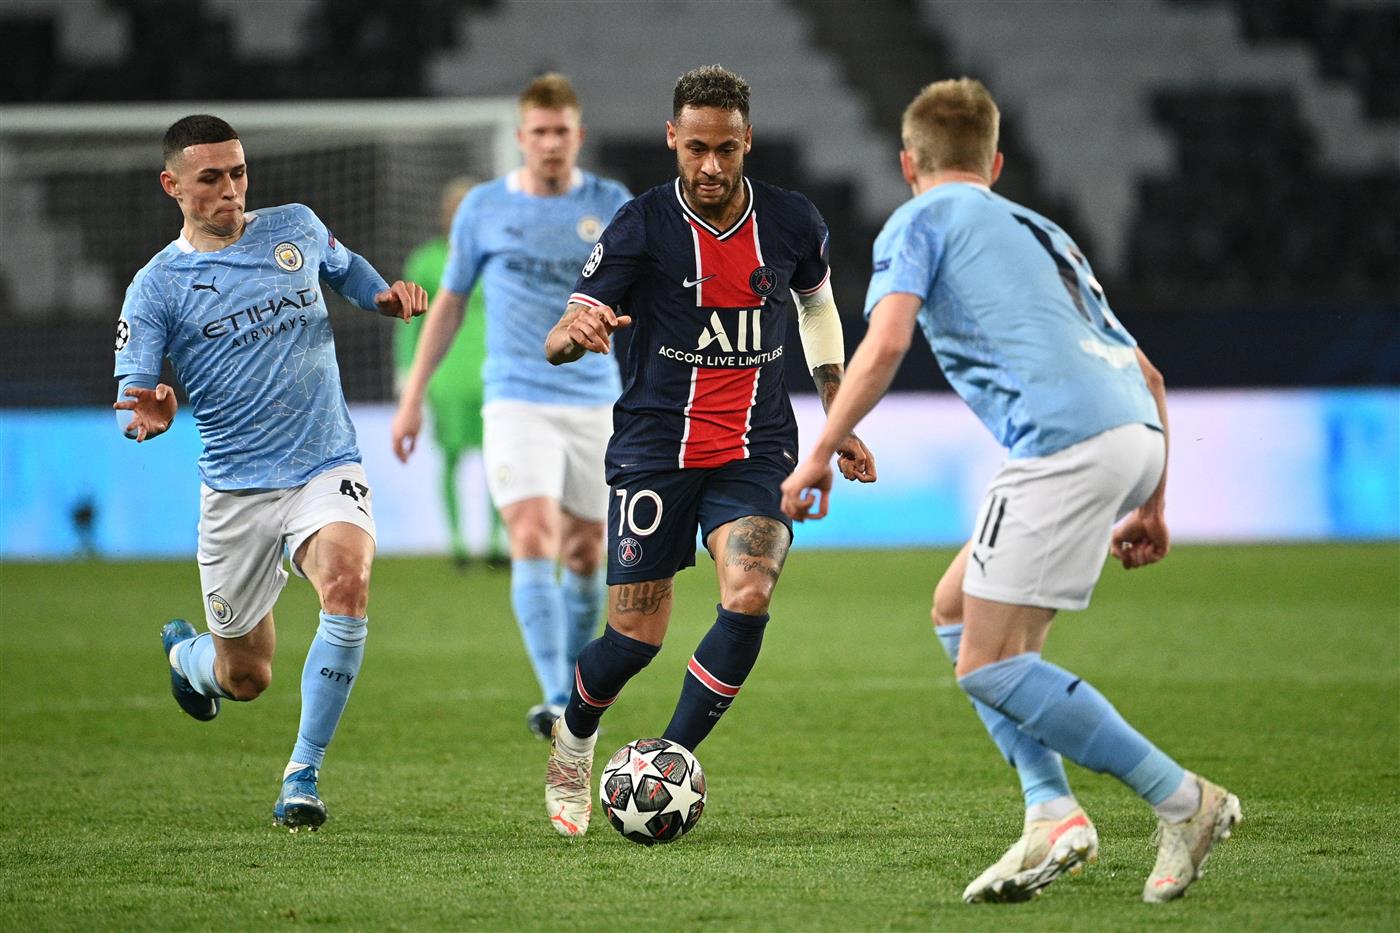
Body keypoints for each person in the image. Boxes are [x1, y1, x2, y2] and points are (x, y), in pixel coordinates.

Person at [780, 78, 1240, 903]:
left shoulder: (918, 219)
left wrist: (819, 449)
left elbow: (884, 342)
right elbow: (1150, 371)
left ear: (907, 163)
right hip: (1135, 434)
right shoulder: (1044, 229)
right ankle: (1051, 811)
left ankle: (1184, 798)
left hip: (1064, 444)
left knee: (988, 665)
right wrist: (1154, 501)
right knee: (957, 610)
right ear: (994, 161)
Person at [541, 64, 877, 837]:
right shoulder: (640, 225)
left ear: (748, 139)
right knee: (633, 640)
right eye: (696, 148)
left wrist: (838, 413)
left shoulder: (792, 221)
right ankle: (574, 740)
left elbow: (816, 306)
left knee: (752, 588)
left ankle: (664, 761)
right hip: (656, 451)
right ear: (672, 139)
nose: (712, 166)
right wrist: (577, 334)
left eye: (727, 148)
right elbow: (563, 329)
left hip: (756, 451)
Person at [114, 114, 426, 832]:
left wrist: (385, 299)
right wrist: (152, 408)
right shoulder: (156, 287)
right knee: (246, 676)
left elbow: (350, 273)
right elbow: (134, 392)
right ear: (173, 186)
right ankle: (192, 657)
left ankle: (303, 773)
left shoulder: (295, 227)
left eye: (239, 172)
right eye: (210, 178)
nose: (231, 190)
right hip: (236, 489)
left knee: (347, 588)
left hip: (325, 461)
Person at [392, 75, 631, 740]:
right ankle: (558, 697)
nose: (551, 142)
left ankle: (574, 684)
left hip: (593, 400)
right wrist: (412, 397)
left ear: (577, 136)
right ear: (520, 139)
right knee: (531, 535)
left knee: (586, 553)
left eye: (563, 131)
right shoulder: (484, 209)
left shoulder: (612, 204)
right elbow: (450, 304)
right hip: (515, 397)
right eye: (540, 132)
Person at [394, 177, 506, 568]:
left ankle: (496, 541)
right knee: (453, 456)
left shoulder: (499, 258)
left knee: (498, 458)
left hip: (494, 372)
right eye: (455, 207)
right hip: (446, 375)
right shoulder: (426, 261)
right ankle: (457, 542)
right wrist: (407, 373)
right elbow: (407, 323)